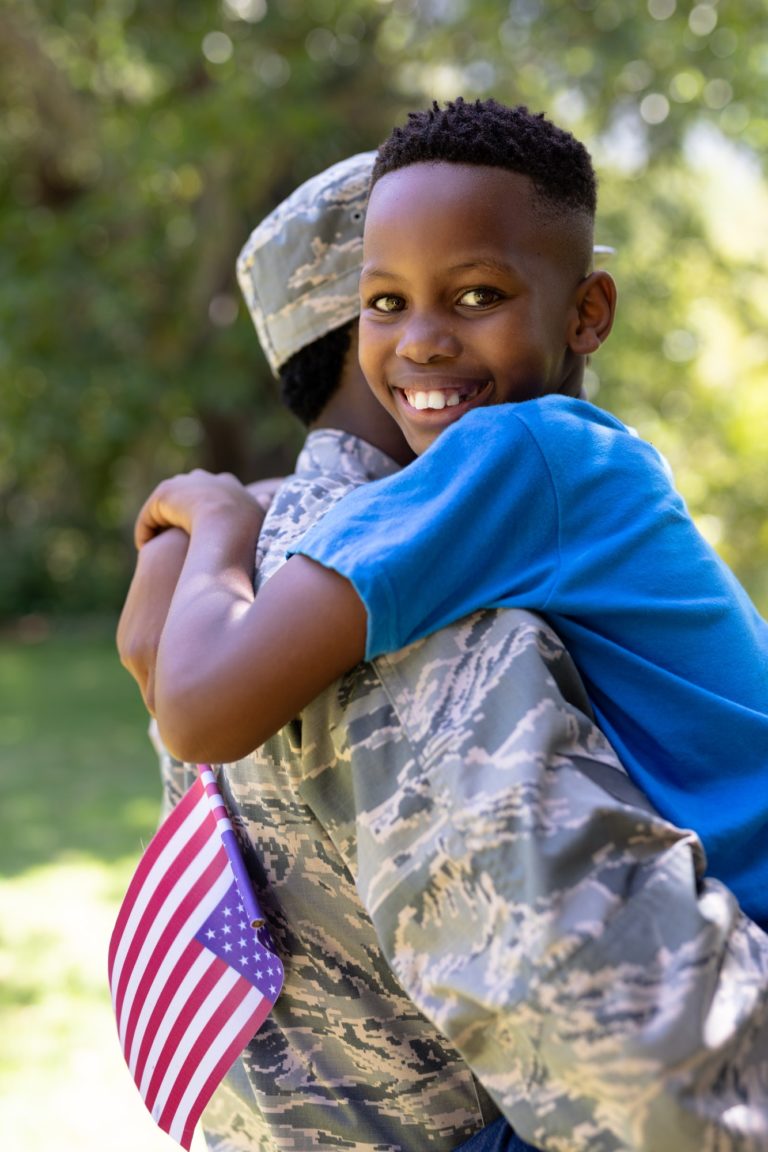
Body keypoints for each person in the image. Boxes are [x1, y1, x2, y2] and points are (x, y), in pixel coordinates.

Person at [120, 149, 768, 1150]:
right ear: (359, 320)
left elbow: (174, 680)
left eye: (475, 294)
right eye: (389, 300)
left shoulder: (504, 469)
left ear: (580, 308)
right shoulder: (487, 487)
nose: (425, 340)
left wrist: (207, 515)